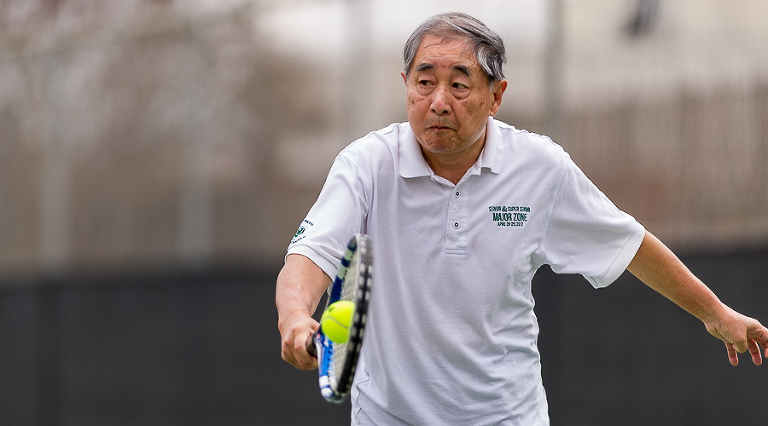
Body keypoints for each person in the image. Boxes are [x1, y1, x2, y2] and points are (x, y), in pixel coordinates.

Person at [276, 12, 768, 425]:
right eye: (425, 82)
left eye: (459, 84)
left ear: (496, 95)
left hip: (508, 416)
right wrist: (296, 317)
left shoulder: (541, 167)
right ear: (406, 86)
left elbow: (630, 245)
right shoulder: (365, 165)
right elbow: (311, 254)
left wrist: (717, 313)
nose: (439, 100)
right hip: (389, 416)